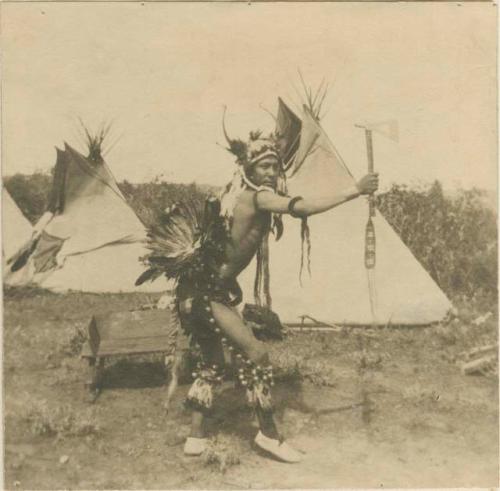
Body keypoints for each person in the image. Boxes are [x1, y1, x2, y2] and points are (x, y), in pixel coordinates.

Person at [138, 128, 378, 463]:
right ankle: (268, 435)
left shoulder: (236, 197)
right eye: (263, 167)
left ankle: (195, 437)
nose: (270, 172)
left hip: (196, 293)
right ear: (247, 170)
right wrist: (354, 190)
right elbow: (302, 207)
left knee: (212, 363)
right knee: (257, 354)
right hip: (206, 295)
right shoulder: (258, 197)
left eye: (273, 167)